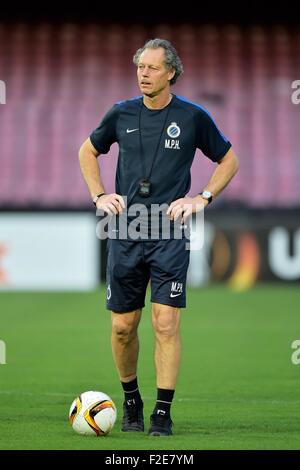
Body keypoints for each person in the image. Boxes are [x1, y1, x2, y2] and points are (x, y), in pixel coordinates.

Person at [79, 38, 239, 436]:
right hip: (126, 229)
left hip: (169, 231)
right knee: (123, 326)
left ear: (171, 73)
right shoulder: (120, 113)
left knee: (165, 322)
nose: (143, 74)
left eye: (151, 68)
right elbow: (87, 150)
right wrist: (99, 194)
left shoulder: (192, 117)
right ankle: (131, 401)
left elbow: (229, 159)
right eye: (139, 67)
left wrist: (202, 197)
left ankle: (162, 414)